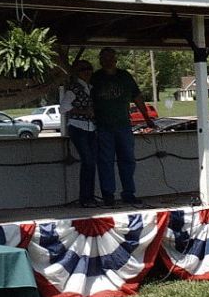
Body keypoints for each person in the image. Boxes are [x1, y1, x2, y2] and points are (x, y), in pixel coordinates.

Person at [91, 47, 155, 206]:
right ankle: (108, 195)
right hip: (103, 126)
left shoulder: (125, 76)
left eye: (110, 58)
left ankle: (128, 193)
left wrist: (147, 117)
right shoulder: (95, 78)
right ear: (100, 60)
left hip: (123, 125)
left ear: (115, 60)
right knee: (105, 161)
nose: (107, 61)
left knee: (127, 160)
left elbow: (137, 97)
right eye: (104, 58)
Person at [60, 59, 98, 208]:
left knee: (91, 162)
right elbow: (63, 108)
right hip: (77, 127)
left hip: (91, 128)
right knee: (88, 161)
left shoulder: (91, 88)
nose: (87, 72)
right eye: (83, 69)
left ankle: (90, 196)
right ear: (77, 72)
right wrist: (83, 112)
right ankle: (85, 198)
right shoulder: (73, 89)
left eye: (89, 69)